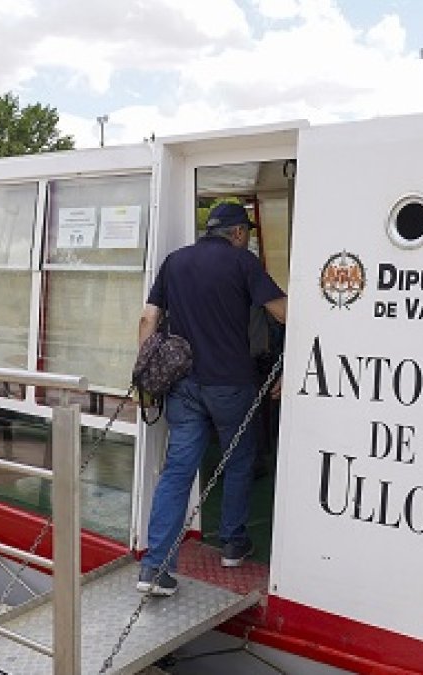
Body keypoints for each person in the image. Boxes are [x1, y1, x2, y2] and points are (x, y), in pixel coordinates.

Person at [135, 202, 287, 596]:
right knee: (239, 459)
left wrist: (147, 376)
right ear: (237, 233)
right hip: (231, 384)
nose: (248, 239)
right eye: (247, 233)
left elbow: (148, 320)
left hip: (182, 384)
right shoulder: (242, 263)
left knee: (178, 470)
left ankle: (154, 568)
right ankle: (233, 545)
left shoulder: (174, 262)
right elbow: (284, 313)